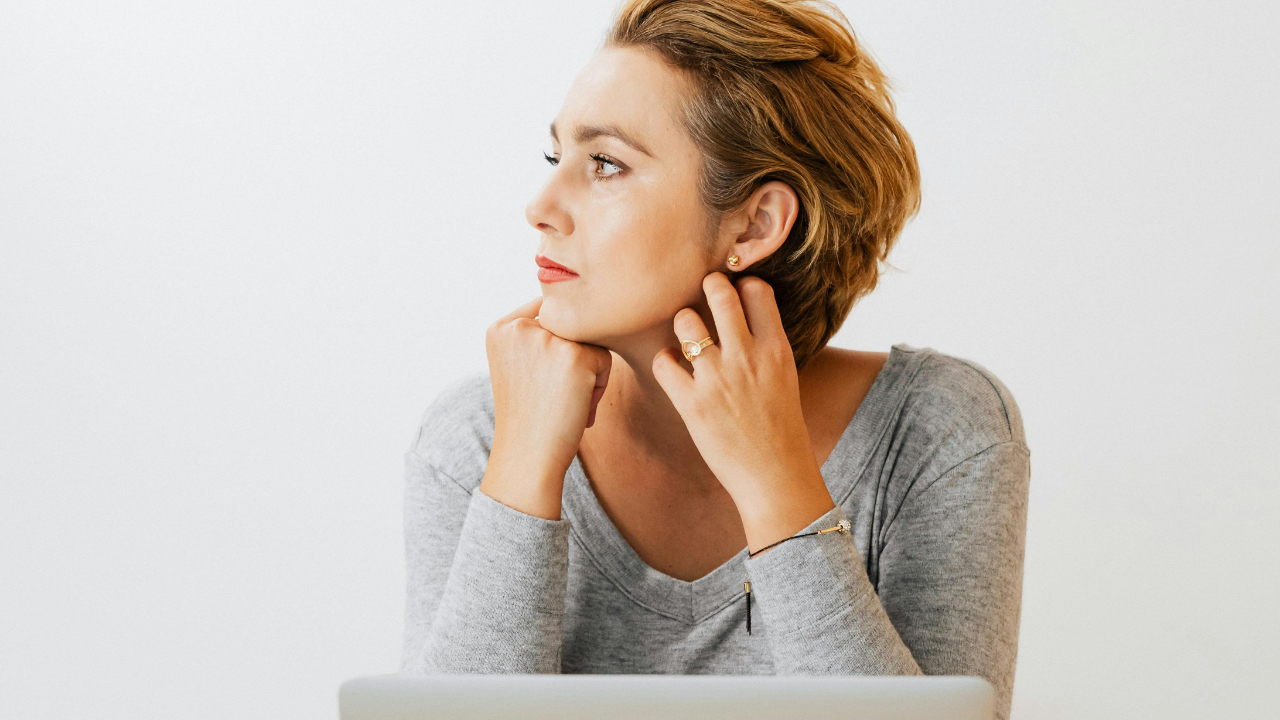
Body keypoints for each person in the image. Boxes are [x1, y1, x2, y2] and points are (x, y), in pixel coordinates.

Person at [400, 1, 1030, 719]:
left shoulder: (937, 431)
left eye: (605, 164)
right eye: (556, 157)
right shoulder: (475, 436)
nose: (540, 206)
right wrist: (518, 474)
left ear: (754, 223)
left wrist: (775, 482)